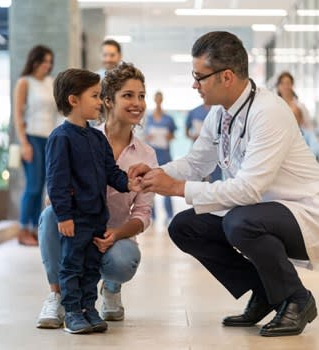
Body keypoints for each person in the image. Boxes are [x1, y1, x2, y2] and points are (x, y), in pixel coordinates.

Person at [129, 31, 319, 337]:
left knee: (239, 222)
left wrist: (177, 188)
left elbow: (248, 189)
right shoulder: (220, 114)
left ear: (227, 76)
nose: (194, 85)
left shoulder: (268, 112)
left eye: (199, 76)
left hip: (301, 213)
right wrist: (154, 172)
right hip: (259, 211)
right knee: (184, 226)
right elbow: (196, 163)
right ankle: (266, 292)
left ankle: (297, 298)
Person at [37, 63, 157, 331]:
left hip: (104, 225)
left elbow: (114, 176)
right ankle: (66, 305)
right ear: (107, 100)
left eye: (141, 95)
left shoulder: (131, 150)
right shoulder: (62, 137)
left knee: (91, 268)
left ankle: (92, 305)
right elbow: (55, 181)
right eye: (128, 95)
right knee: (68, 256)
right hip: (75, 221)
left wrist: (131, 184)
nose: (137, 103)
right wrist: (65, 213)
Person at [13, 45, 58, 246]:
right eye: (44, 61)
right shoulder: (25, 82)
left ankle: (35, 230)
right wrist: (24, 143)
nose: (47, 65)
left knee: (46, 187)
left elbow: (58, 111)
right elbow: (17, 115)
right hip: (31, 137)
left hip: (50, 139)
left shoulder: (51, 82)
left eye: (50, 62)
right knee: (33, 186)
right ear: (35, 61)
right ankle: (23, 229)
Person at [144, 91, 177, 223]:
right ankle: (152, 216)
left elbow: (173, 135)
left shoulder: (169, 119)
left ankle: (169, 215)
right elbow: (143, 135)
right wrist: (148, 137)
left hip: (165, 154)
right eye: (156, 98)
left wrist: (169, 136)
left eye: (160, 98)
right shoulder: (148, 118)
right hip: (152, 155)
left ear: (162, 100)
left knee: (166, 185)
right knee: (150, 186)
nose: (158, 101)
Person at [276, 71, 319, 158]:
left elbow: (309, 127)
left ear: (292, 85)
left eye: (288, 83)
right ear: (278, 87)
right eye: (282, 83)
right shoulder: (274, 106)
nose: (285, 86)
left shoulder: (299, 106)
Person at [185, 103, 222, 182]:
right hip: (198, 153)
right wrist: (193, 136)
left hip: (216, 154)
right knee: (195, 182)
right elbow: (186, 132)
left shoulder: (220, 111)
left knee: (215, 184)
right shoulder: (194, 112)